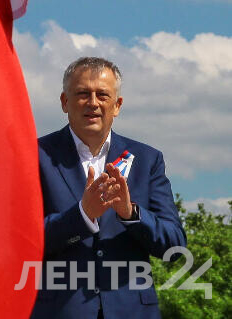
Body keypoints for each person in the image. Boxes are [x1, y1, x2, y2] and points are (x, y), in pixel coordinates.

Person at [30, 57, 186, 319]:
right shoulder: (35, 157)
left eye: (102, 95)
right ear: (65, 102)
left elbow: (174, 247)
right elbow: (22, 241)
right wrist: (82, 216)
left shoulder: (147, 160)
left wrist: (131, 214)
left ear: (117, 105)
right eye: (82, 93)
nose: (93, 102)